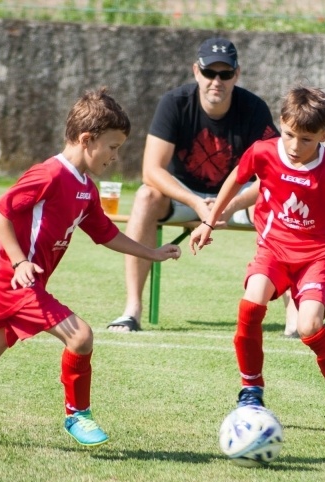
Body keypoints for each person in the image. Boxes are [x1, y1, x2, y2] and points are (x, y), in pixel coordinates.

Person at [0, 88, 182, 447]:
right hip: (16, 283)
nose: (116, 157)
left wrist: (153, 253)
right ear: (87, 140)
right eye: (113, 147)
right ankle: (78, 416)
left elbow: (105, 234)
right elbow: (1, 211)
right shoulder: (49, 175)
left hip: (22, 284)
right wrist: (20, 261)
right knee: (81, 336)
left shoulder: (86, 187)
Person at [189, 86, 325, 434]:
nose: (296, 147)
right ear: (281, 123)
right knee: (251, 303)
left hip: (316, 256)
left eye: (307, 139)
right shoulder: (263, 152)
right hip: (273, 249)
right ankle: (251, 390)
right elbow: (235, 180)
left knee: (310, 327)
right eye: (290, 135)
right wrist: (208, 221)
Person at [107, 37, 280, 333]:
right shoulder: (174, 103)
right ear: (196, 71)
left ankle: (296, 319)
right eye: (209, 72)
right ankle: (131, 310)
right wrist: (197, 204)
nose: (217, 81)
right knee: (146, 195)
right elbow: (151, 170)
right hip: (184, 198)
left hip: (236, 199)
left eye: (225, 74)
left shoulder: (254, 108)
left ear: (236, 74)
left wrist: (230, 205)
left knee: (278, 198)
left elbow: (273, 175)